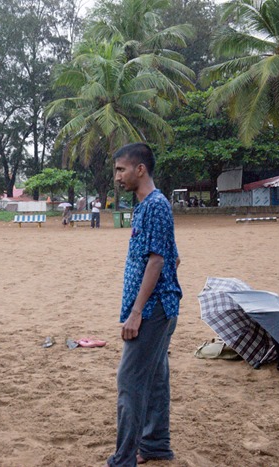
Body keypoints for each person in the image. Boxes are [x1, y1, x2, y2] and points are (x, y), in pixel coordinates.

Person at [107, 143, 182, 467]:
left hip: (153, 310)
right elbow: (173, 256)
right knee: (155, 377)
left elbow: (158, 260)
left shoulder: (155, 205)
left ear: (140, 169)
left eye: (121, 169)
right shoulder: (146, 206)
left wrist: (137, 312)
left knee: (130, 380)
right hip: (159, 305)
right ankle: (155, 445)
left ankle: (124, 459)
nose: (117, 177)